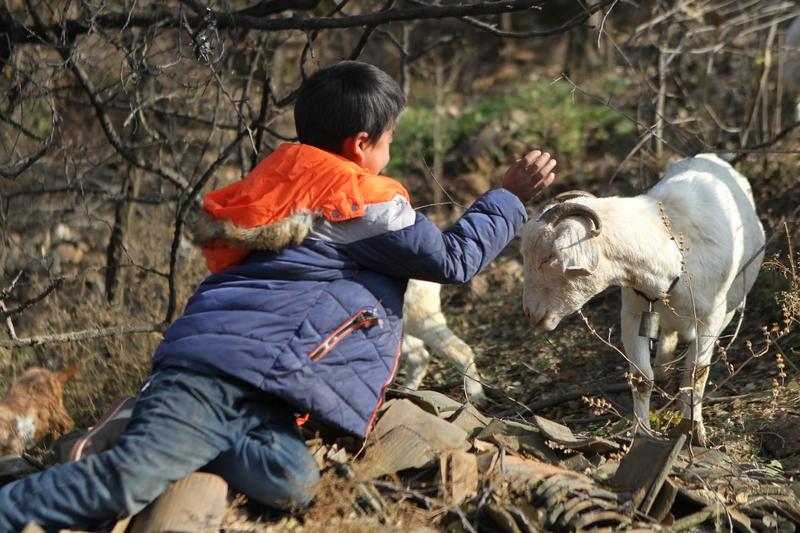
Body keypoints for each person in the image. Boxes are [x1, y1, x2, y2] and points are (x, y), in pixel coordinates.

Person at [0, 60, 556, 531]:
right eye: (388, 143)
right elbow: (453, 261)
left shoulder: (276, 182)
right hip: (214, 379)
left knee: (292, 481)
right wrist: (508, 197)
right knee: (122, 487)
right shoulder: (359, 200)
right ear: (361, 145)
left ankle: (159, 431)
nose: (389, 155)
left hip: (269, 395)